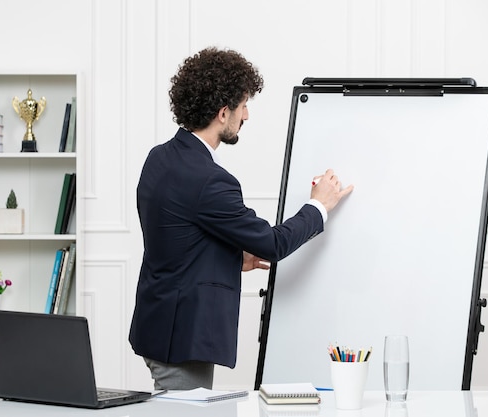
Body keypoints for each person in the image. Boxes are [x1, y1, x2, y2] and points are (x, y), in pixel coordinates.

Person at [129, 47, 353, 390]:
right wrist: (318, 205)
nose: (246, 115)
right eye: (243, 105)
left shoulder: (159, 158)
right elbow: (273, 243)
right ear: (223, 112)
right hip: (181, 339)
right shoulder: (209, 180)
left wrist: (230, 257)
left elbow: (175, 239)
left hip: (157, 324)